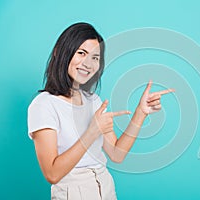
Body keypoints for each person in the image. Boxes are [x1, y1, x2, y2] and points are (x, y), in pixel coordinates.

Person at [27, 22, 174, 200]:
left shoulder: (93, 101)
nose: (88, 63)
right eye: (81, 53)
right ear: (60, 52)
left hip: (105, 188)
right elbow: (52, 174)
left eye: (95, 57)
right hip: (73, 192)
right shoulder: (44, 105)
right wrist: (92, 131)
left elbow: (116, 154)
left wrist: (140, 113)